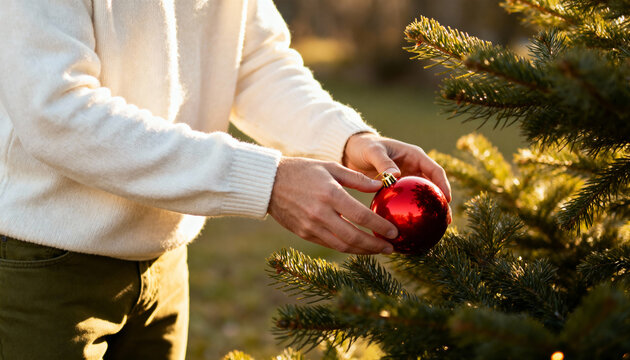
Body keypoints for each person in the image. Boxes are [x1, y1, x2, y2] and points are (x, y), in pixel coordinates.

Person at [0, 0, 451, 359]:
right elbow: (57, 110)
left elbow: (255, 61)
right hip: (42, 264)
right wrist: (267, 181)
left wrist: (345, 137)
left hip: (165, 263)